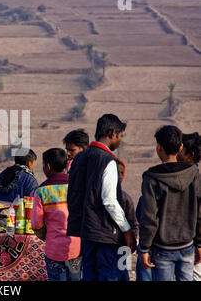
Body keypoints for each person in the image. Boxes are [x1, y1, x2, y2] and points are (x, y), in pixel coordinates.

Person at [67, 113, 136, 281]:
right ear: (112, 133)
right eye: (119, 136)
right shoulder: (108, 160)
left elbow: (73, 196)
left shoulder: (79, 159)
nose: (119, 140)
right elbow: (110, 201)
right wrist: (127, 231)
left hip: (86, 233)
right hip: (106, 236)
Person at [140, 125, 200, 281]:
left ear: (158, 147)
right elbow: (200, 212)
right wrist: (199, 243)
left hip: (162, 248)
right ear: (180, 147)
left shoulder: (151, 178)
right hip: (187, 245)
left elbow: (149, 217)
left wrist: (145, 248)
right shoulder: (194, 174)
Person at [31, 148, 81, 281]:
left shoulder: (41, 191)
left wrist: (46, 236)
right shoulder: (77, 186)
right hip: (76, 247)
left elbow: (36, 224)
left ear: (48, 166)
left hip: (54, 249)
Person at [177, 132, 201, 281]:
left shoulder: (194, 181)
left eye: (181, 149)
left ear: (190, 154)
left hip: (192, 244)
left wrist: (199, 243)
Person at [117, 161, 139, 281]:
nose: (119, 175)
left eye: (121, 173)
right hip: (105, 244)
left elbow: (133, 222)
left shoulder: (126, 198)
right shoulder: (101, 197)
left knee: (122, 272)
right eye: (116, 172)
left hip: (122, 246)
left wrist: (132, 240)